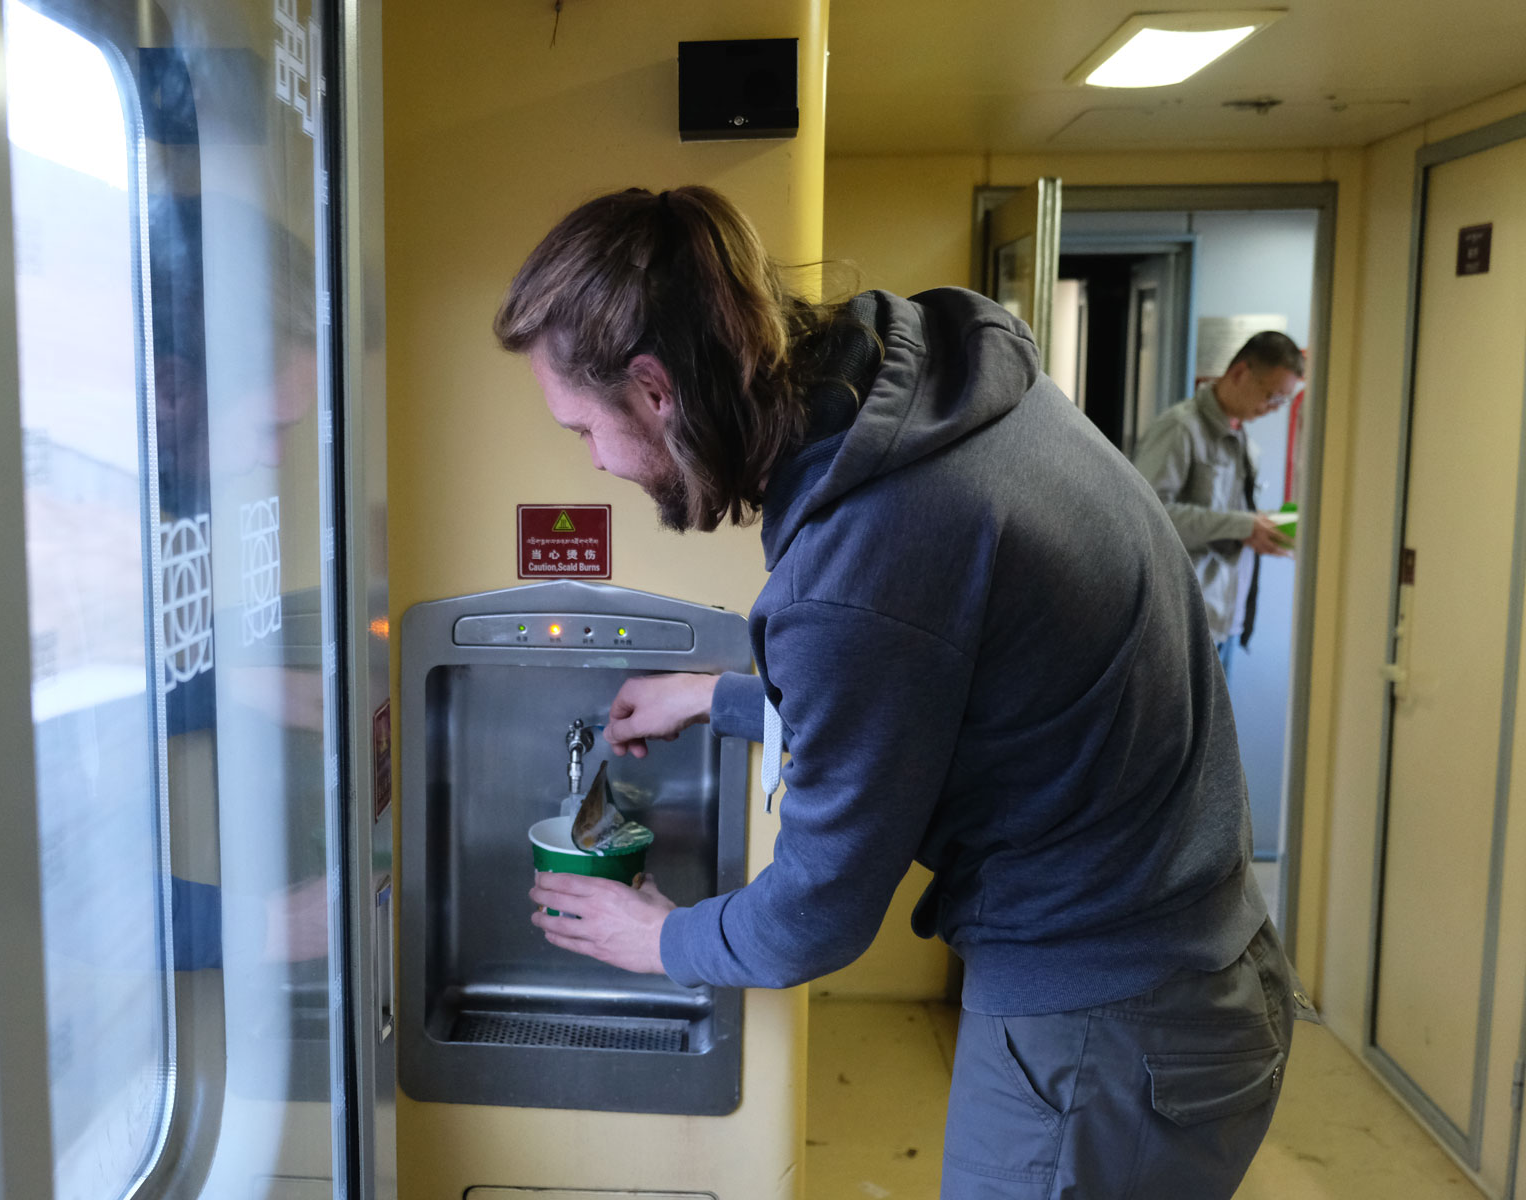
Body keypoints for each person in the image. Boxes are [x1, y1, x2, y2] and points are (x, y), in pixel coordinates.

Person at [503, 185, 1303, 1198]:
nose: (598, 462)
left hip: (1106, 1036)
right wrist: (721, 698)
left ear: (657, 392)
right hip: (1194, 975)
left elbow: (818, 914)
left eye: (583, 431)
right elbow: (950, 681)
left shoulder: (862, 555)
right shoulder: (928, 393)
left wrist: (656, 937)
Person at [1133, 332, 1304, 672]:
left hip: (1223, 621)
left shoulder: (1239, 432)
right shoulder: (1181, 427)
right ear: (1240, 373)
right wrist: (1243, 526)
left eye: (1282, 402)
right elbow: (1147, 516)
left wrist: (1259, 529)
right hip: (1181, 624)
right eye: (1271, 396)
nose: (1272, 409)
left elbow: (1225, 516)